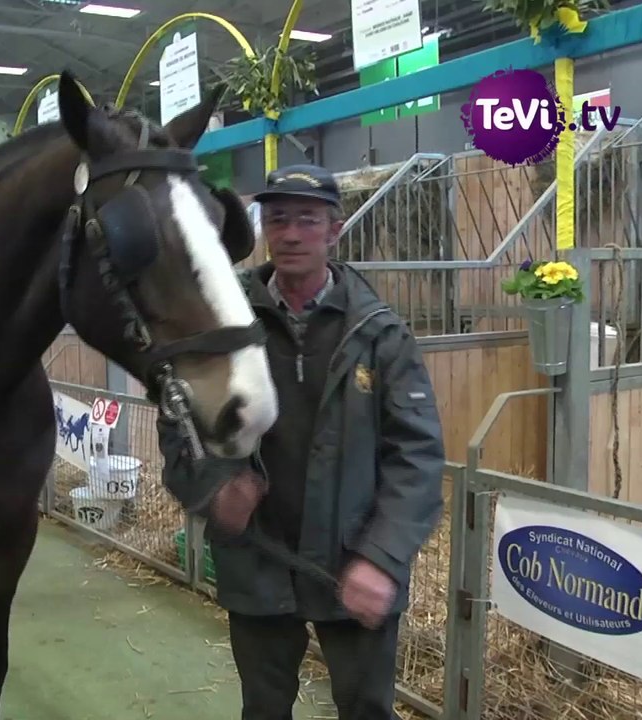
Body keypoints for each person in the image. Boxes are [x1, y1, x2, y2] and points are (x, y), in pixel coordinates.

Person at [156, 165, 445, 720]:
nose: (290, 234)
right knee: (264, 709)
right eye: (278, 219)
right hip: (260, 556)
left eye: (307, 220)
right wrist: (213, 491)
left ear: (335, 231)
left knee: (366, 709)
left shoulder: (379, 333)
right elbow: (179, 425)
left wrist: (381, 558)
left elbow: (418, 457)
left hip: (350, 562)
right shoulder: (222, 324)